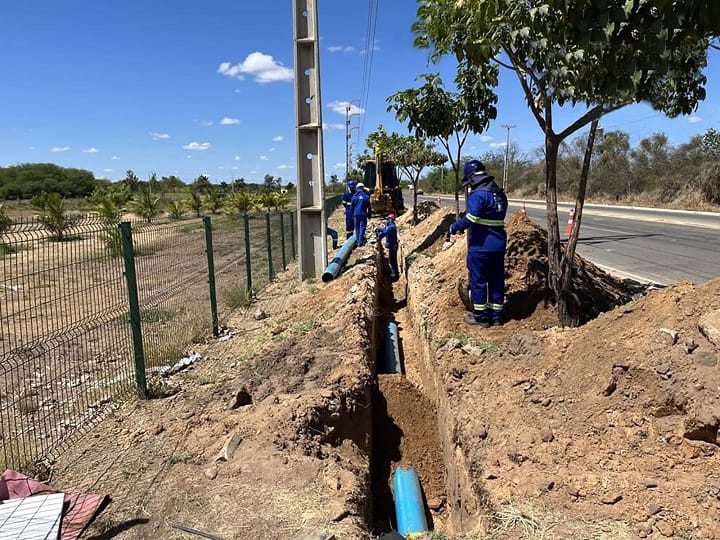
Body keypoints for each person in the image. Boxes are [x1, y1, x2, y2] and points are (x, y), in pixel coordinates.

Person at [448, 160, 508, 327]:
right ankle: (496, 317)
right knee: (496, 280)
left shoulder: (477, 195)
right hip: (498, 245)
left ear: (472, 178)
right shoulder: (500, 194)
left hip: (481, 247)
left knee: (479, 281)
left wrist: (455, 226)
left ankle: (481, 317)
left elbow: (472, 218)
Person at [376, 213, 399, 279]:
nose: (388, 220)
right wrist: (378, 232)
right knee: (391, 260)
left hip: (393, 246)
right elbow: (384, 231)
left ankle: (395, 275)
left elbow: (385, 232)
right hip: (391, 246)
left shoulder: (392, 227)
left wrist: (379, 233)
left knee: (393, 261)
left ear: (391, 219)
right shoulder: (389, 226)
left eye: (389, 219)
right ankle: (393, 272)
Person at [351, 182, 371, 246]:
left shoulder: (354, 196)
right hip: (363, 214)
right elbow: (369, 207)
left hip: (356, 214)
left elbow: (352, 206)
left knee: (357, 227)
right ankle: (360, 241)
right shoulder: (366, 196)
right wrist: (369, 214)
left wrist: (352, 214)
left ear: (357, 188)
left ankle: (357, 240)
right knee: (362, 227)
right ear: (363, 188)